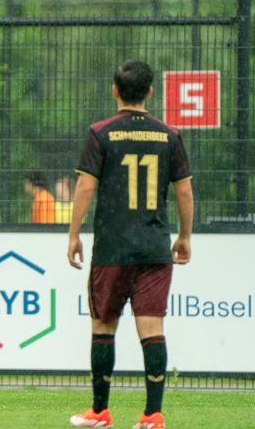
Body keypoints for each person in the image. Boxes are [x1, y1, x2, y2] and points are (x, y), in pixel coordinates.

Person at [68, 60, 193, 429]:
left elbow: (86, 186)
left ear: (115, 90)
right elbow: (184, 190)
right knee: (152, 329)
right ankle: (153, 415)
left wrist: (74, 234)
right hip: (155, 247)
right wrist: (184, 237)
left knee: (103, 327)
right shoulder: (169, 134)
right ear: (150, 92)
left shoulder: (100, 132)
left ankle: (100, 411)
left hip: (112, 247)